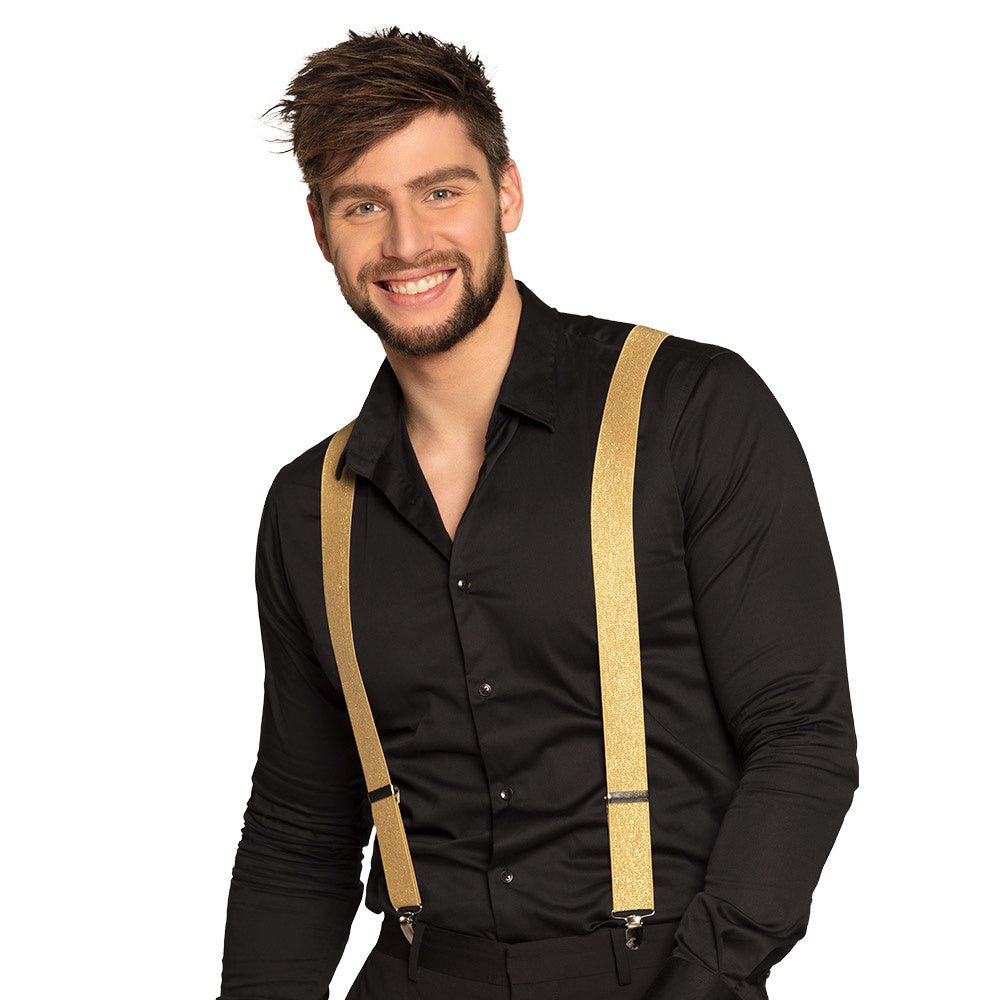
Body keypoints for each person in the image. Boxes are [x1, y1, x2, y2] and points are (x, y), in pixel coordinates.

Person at [216, 26, 859, 1000]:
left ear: (506, 192)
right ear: (320, 228)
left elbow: (801, 736)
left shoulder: (690, 409)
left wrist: (708, 978)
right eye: (363, 204)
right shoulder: (310, 507)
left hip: (656, 979)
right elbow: (300, 827)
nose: (405, 243)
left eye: (441, 191)